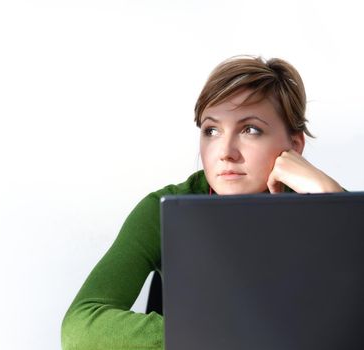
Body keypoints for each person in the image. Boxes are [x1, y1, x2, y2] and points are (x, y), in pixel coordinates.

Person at [61, 56, 344, 349]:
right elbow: (80, 326)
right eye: (212, 130)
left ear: (294, 145)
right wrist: (220, 335)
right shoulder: (163, 207)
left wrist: (332, 199)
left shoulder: (322, 202)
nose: (225, 152)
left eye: (250, 130)